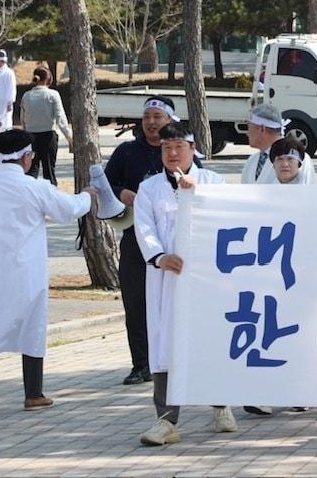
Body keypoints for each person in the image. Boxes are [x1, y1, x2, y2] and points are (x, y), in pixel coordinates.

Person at [0, 130, 93, 419]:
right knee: (32, 327)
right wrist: (88, 196)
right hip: (26, 273)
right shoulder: (36, 188)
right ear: (27, 157)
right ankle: (34, 394)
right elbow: (68, 210)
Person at [134, 121, 235, 446]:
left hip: (205, 281)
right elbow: (144, 227)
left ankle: (221, 405)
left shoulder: (213, 182)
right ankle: (166, 419)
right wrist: (160, 256)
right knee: (165, 345)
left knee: (210, 339)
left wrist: (199, 193)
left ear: (193, 149)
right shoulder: (150, 188)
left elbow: (227, 221)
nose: (173, 153)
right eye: (166, 148)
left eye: (179, 147)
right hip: (166, 281)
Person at [104, 96, 178, 386]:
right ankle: (141, 364)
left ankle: (174, 360)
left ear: (170, 120)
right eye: (147, 116)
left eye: (157, 117)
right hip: (136, 238)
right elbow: (105, 183)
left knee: (172, 303)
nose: (151, 122)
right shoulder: (127, 152)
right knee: (135, 303)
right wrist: (121, 192)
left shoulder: (178, 150)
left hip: (172, 242)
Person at [20, 68, 72, 185]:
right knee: (49, 172)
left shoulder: (26, 96)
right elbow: (60, 118)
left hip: (30, 137)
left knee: (30, 172)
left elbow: (23, 119)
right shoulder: (53, 95)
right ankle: (51, 198)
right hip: (48, 137)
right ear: (49, 79)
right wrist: (69, 137)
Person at [240, 102, 289, 184]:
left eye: (249, 127)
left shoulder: (295, 158)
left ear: (262, 129)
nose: (247, 133)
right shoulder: (252, 160)